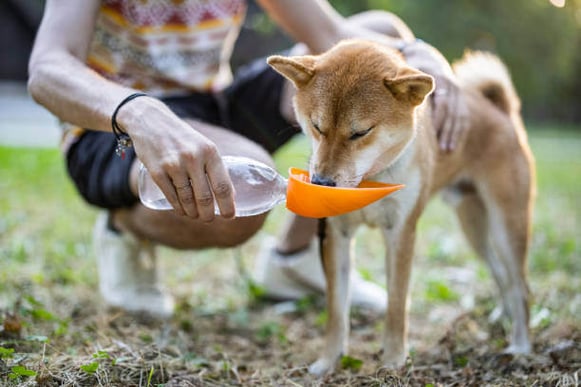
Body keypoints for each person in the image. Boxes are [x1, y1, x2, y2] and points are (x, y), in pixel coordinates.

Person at [28, 0, 467, 318]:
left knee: (377, 27)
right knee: (235, 201)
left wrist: (422, 55)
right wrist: (138, 111)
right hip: (110, 125)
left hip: (211, 104)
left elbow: (333, 35)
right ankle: (122, 222)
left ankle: (295, 259)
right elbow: (47, 69)